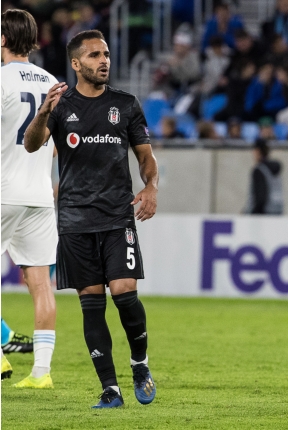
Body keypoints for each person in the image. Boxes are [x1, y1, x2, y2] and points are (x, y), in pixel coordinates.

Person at [23, 30, 159, 408]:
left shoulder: (126, 104)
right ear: (76, 63)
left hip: (117, 216)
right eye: (95, 55)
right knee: (92, 300)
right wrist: (43, 113)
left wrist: (151, 187)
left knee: (125, 292)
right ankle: (110, 389)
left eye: (107, 54)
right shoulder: (62, 106)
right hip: (74, 220)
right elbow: (33, 143)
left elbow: (146, 157)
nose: (104, 61)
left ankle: (140, 364)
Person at [1, 8, 59, 389]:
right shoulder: (53, 81)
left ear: (4, 40)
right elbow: (52, 145)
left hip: (3, 190)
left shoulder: (1, 79)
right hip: (39, 194)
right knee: (41, 284)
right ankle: (41, 373)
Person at [244, 139, 283, 215]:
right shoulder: (275, 171)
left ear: (258, 151)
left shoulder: (259, 170)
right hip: (277, 213)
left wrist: (252, 213)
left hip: (263, 216)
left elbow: (260, 198)